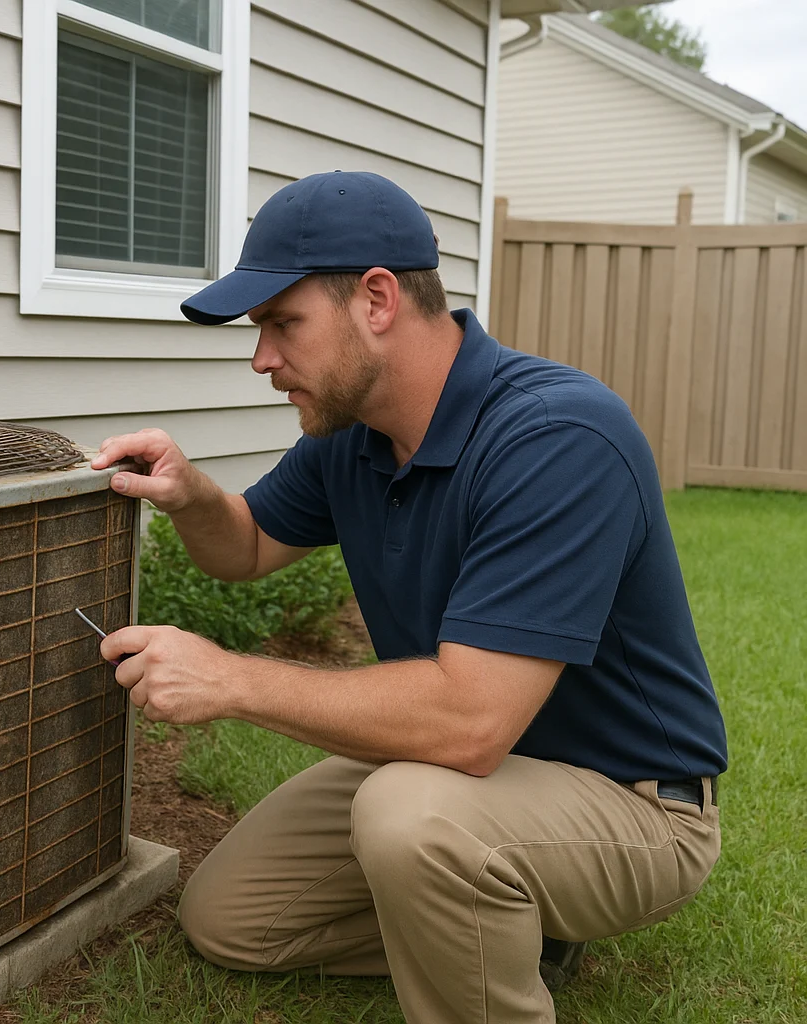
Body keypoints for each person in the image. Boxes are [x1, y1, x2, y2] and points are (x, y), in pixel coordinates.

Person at [89, 170, 726, 1024]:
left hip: (629, 802)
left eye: (283, 324)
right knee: (232, 919)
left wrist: (232, 680)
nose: (262, 358)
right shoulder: (354, 436)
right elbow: (243, 546)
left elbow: (469, 723)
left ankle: (492, 920)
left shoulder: (558, 437)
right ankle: (507, 915)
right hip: (469, 776)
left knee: (407, 813)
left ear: (378, 298)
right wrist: (190, 492)